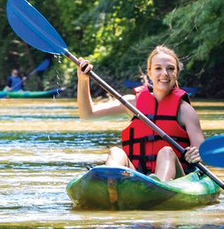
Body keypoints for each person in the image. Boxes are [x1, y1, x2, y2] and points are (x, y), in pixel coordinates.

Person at [76, 45, 204, 181]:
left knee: (166, 152)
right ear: (149, 72)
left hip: (175, 179)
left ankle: (158, 185)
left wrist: (197, 154)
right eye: (158, 68)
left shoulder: (185, 110)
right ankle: (112, 184)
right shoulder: (133, 104)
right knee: (116, 152)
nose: (164, 73)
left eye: (170, 68)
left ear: (176, 73)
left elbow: (202, 152)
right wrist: (83, 80)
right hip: (138, 174)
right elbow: (88, 114)